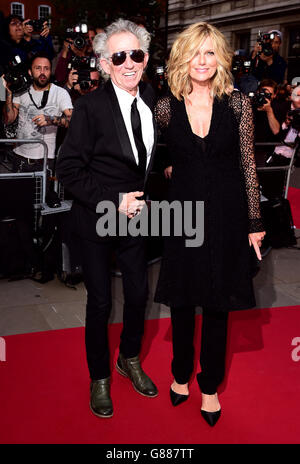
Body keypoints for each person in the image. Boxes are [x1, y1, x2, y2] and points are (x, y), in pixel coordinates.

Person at [154, 22, 266, 427]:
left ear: (221, 58)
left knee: (218, 305)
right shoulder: (165, 107)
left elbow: (248, 164)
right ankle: (180, 373)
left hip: (226, 215)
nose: (202, 62)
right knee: (183, 302)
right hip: (183, 216)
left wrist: (255, 221)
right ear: (182, 57)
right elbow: (156, 156)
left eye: (210, 53)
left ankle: (210, 386)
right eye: (194, 53)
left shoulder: (237, 104)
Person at [56, 19, 158, 419]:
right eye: (119, 56)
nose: (129, 63)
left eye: (136, 54)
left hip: (138, 219)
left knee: (137, 295)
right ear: (104, 63)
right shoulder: (89, 107)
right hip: (98, 217)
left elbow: (145, 156)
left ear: (146, 58)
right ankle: (99, 376)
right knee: (100, 303)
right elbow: (67, 168)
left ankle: (128, 358)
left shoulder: (151, 96)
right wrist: (113, 201)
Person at [3, 53, 73, 173]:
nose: (42, 72)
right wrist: (9, 93)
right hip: (19, 157)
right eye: (38, 68)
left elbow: (73, 120)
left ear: (50, 71)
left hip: (44, 160)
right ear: (30, 72)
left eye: (46, 69)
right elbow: (9, 119)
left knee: (42, 192)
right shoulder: (21, 90)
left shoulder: (60, 93)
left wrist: (51, 119)